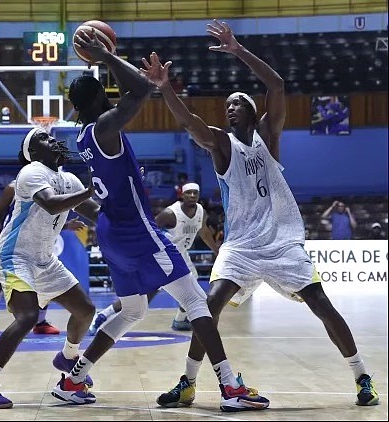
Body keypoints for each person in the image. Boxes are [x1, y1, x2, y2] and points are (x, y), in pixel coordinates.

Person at [140, 19, 379, 407]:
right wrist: (165, 88)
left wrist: (238, 50)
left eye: (236, 103)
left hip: (283, 242)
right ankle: (187, 381)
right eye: (227, 104)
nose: (229, 107)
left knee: (323, 306)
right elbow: (190, 122)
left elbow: (277, 86)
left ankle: (362, 376)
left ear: (252, 112)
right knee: (208, 305)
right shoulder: (221, 144)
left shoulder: (269, 138)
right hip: (242, 246)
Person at [51, 28, 269, 413]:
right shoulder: (104, 128)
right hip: (136, 230)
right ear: (101, 98)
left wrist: (108, 61)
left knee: (132, 311)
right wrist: (108, 57)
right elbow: (139, 90)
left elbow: (132, 93)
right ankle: (230, 386)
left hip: (112, 232)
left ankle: (74, 377)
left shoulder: (84, 135)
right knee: (196, 300)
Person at [0, 127, 102, 409]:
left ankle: (68, 356)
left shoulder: (68, 178)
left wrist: (119, 195)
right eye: (43, 138)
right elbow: (52, 205)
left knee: (86, 310)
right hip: (14, 256)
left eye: (51, 136)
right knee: (29, 316)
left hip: (44, 259)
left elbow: (94, 212)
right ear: (34, 153)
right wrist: (91, 189)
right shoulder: (31, 172)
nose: (51, 139)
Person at [88, 181, 219, 334]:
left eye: (195, 193)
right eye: (188, 192)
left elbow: (204, 232)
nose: (192, 195)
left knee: (192, 294)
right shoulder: (171, 214)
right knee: (141, 299)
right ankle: (103, 315)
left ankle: (180, 320)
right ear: (181, 195)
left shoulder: (200, 211)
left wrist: (216, 250)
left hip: (181, 256)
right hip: (162, 257)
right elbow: (149, 230)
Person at [0, 172, 74, 340]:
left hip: (37, 242)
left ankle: (40, 323)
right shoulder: (14, 187)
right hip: (12, 241)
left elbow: (46, 220)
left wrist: (66, 226)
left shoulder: (51, 188)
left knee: (43, 275)